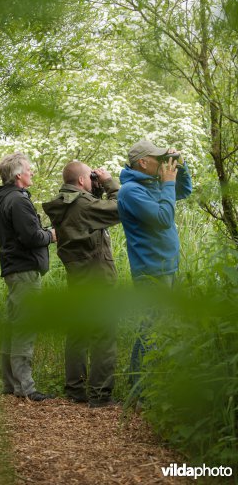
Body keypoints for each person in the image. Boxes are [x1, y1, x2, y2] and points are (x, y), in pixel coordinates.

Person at [117, 139, 192, 393]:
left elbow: (184, 191)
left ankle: (140, 389)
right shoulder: (131, 191)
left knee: (153, 327)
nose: (162, 162)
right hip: (151, 269)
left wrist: (180, 167)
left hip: (165, 267)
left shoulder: (152, 183)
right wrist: (168, 183)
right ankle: (140, 391)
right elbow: (163, 218)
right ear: (143, 162)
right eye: (158, 158)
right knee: (151, 329)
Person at [43, 161, 120, 408]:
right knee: (103, 334)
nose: (93, 179)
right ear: (80, 181)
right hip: (97, 275)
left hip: (77, 275)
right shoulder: (84, 205)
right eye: (90, 176)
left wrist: (95, 187)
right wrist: (109, 183)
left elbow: (91, 215)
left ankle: (75, 389)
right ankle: (100, 395)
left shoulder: (65, 204)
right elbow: (121, 209)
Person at [0, 152, 56, 402]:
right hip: (24, 271)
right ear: (19, 175)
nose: (32, 172)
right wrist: (50, 235)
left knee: (13, 325)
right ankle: (26, 387)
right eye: (29, 169)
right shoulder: (18, 201)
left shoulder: (6, 199)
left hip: (15, 269)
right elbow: (31, 237)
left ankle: (11, 383)